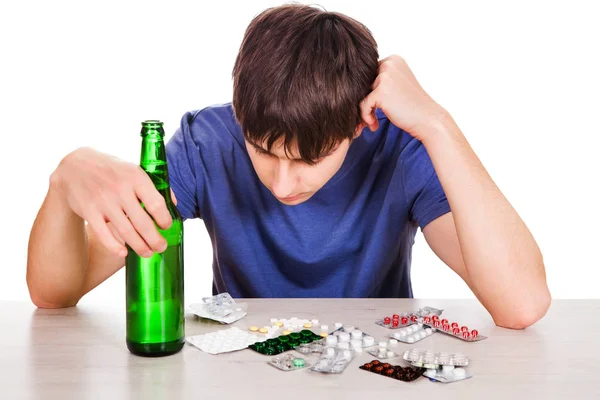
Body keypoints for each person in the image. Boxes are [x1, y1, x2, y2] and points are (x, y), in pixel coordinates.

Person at [26, 4, 550, 329]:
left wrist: (437, 122)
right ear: (240, 117)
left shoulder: (400, 148)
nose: (281, 182)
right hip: (241, 372)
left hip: (367, 373)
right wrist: (63, 180)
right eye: (262, 149)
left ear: (358, 124)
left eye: (309, 160)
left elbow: (521, 305)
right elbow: (54, 295)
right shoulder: (206, 143)